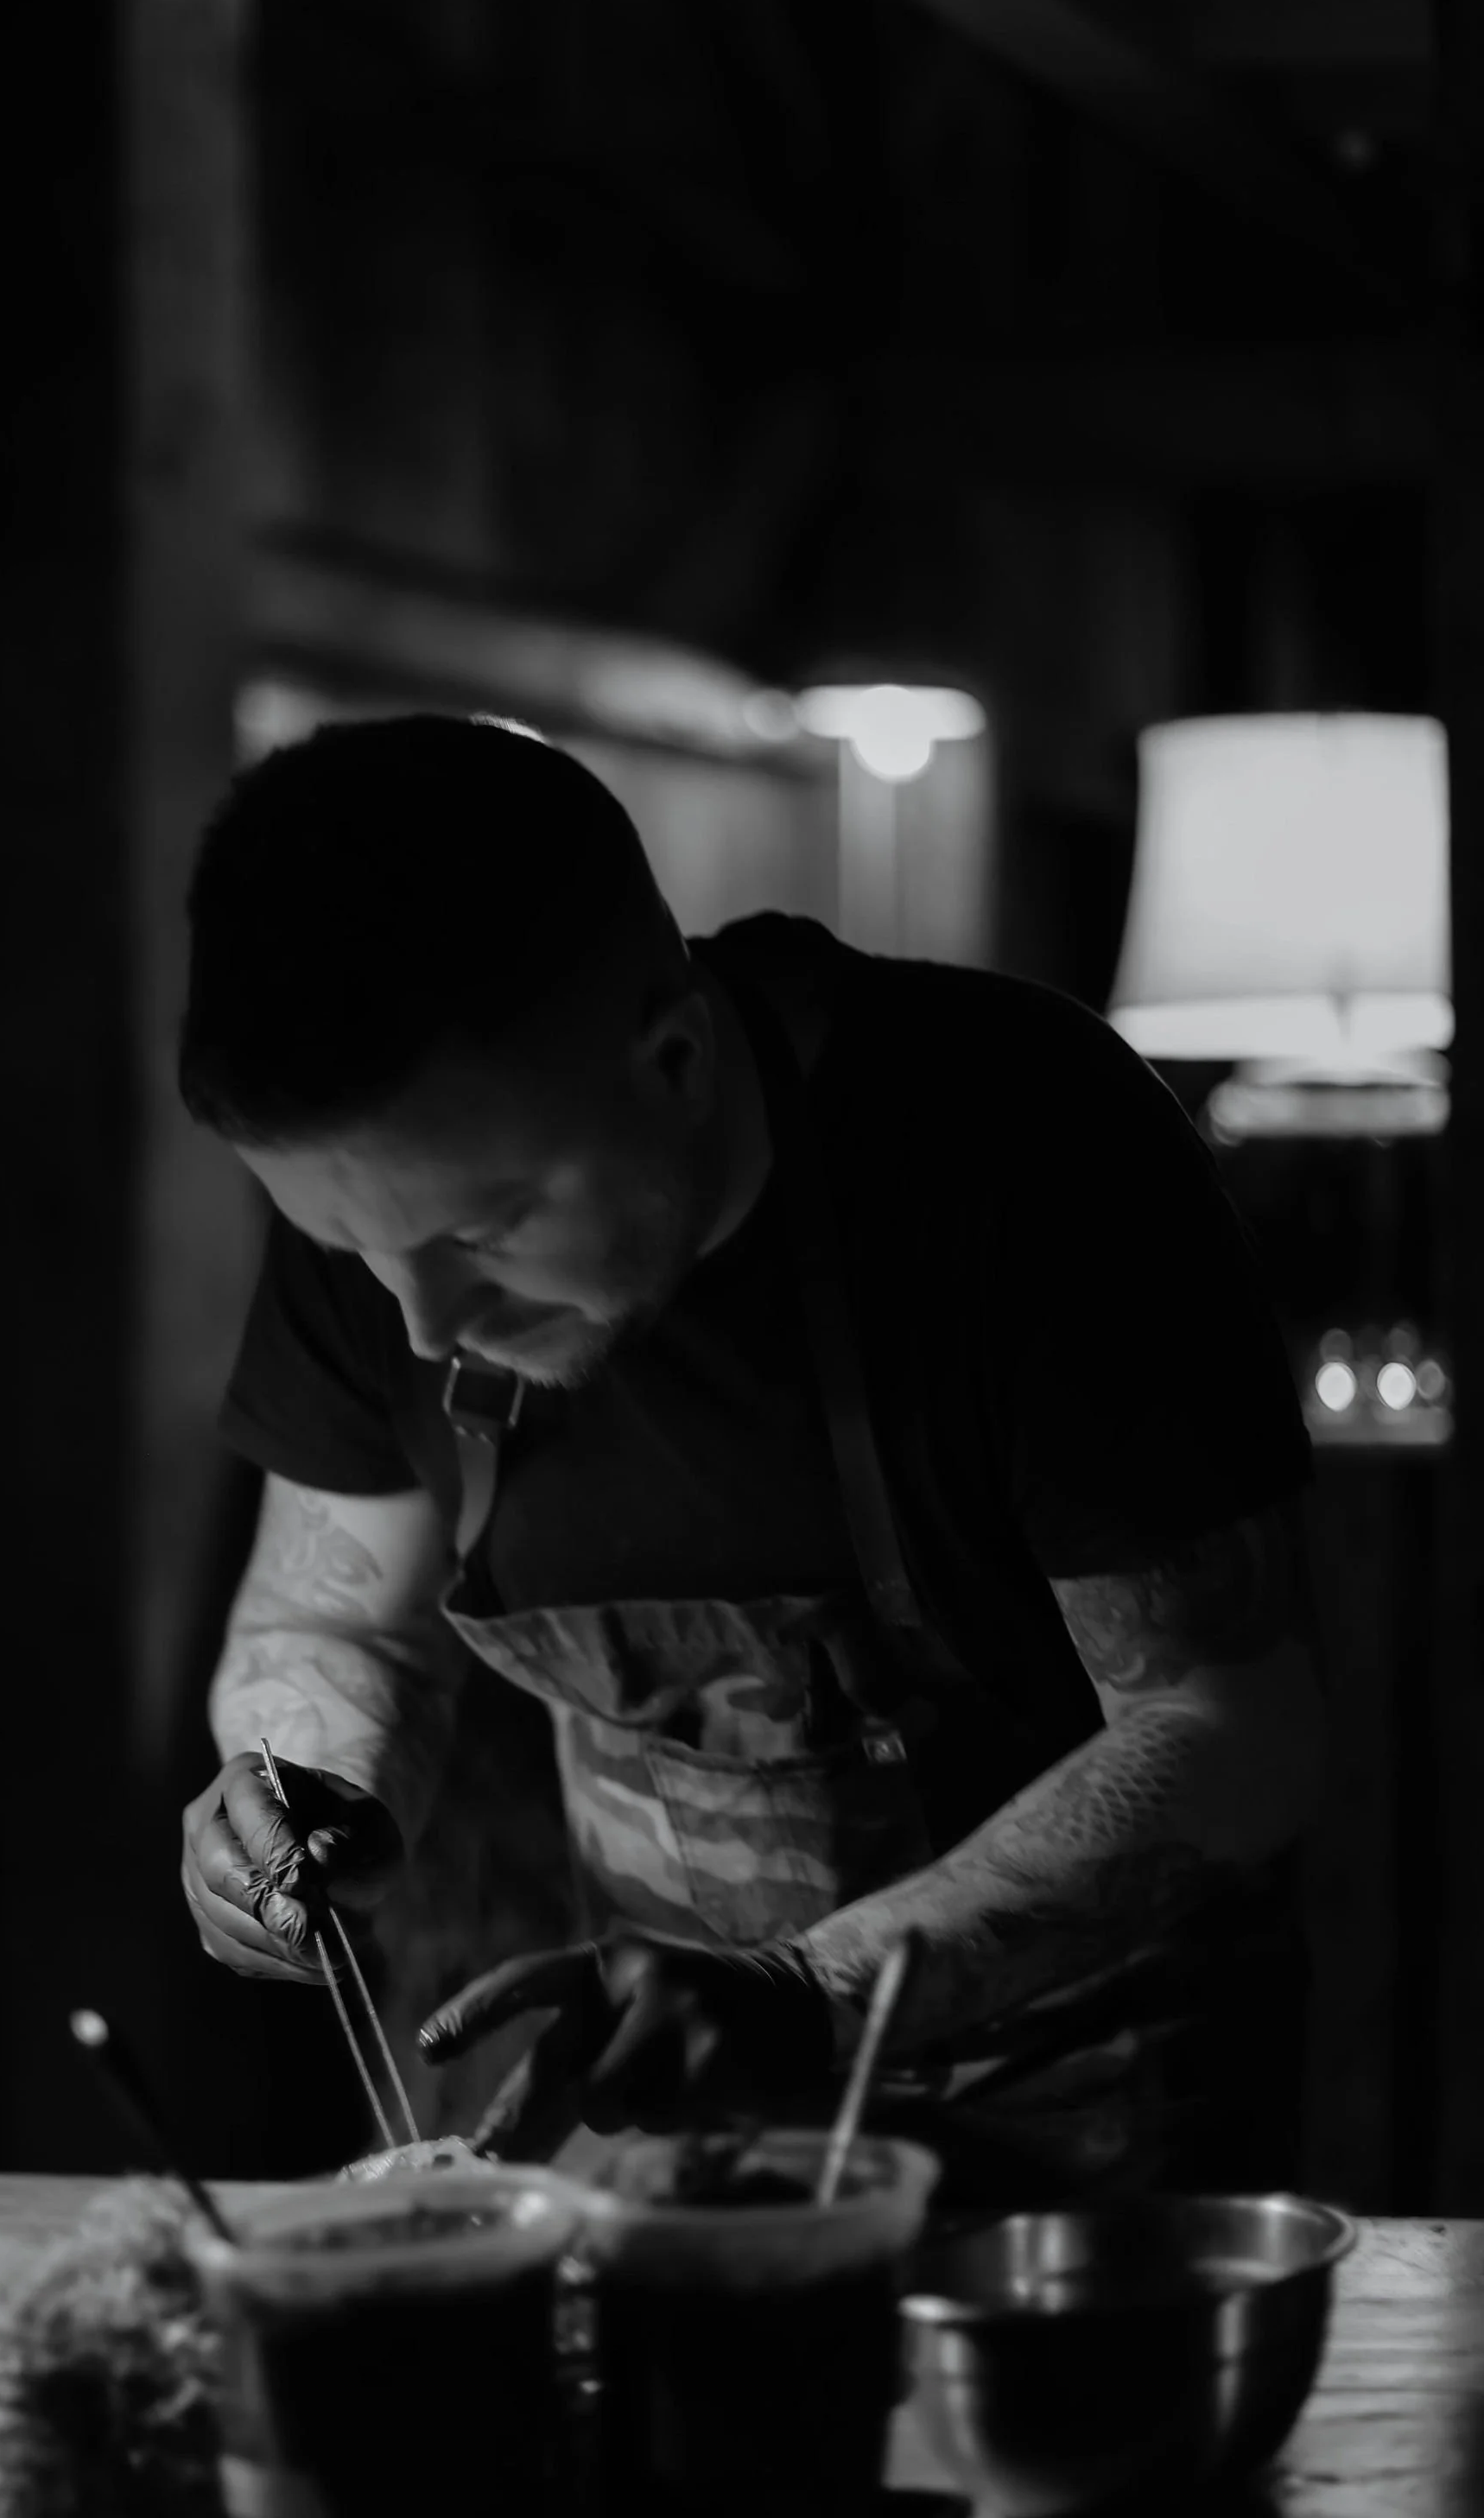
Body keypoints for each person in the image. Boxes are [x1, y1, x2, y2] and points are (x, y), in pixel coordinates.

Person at [176, 714, 1324, 2192]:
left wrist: (808, 1993)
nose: (419, 1323)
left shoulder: (1023, 1154)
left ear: (673, 1056)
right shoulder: (391, 1197)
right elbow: (330, 1614)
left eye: (484, 1232)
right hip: (662, 2098)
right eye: (351, 1248)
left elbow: (1231, 1730)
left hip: (1082, 2140)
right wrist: (301, 1792)